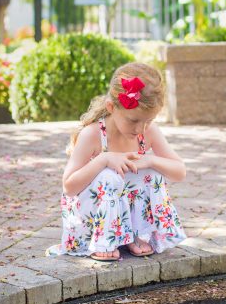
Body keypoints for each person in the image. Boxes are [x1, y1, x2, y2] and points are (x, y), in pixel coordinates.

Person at [46, 62, 187, 262]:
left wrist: (149, 159)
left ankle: (136, 234)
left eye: (148, 121)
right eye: (133, 120)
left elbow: (179, 171)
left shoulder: (148, 132)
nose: (140, 129)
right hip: (90, 220)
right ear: (111, 107)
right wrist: (104, 159)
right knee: (109, 177)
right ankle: (104, 241)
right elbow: (69, 187)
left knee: (153, 172)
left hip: (124, 217)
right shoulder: (93, 135)